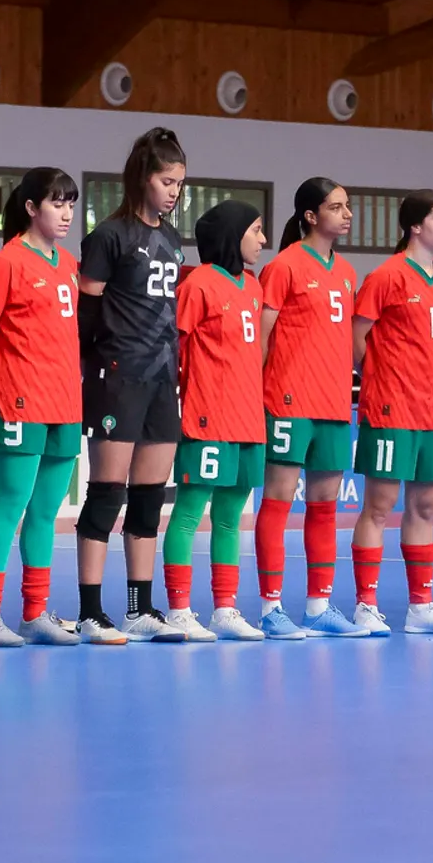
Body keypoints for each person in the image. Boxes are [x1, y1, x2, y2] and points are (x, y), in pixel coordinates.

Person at [77, 127, 188, 643]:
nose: (174, 192)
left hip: (162, 380)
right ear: (143, 179)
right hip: (117, 378)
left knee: (148, 500)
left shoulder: (173, 240)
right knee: (106, 495)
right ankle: (90, 612)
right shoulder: (109, 236)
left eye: (179, 183)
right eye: (167, 181)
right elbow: (86, 313)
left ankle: (139, 609)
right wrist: (96, 365)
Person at [0, 167, 86, 646]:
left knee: (46, 511)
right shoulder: (7, 263)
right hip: (18, 402)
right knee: (11, 504)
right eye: (57, 203)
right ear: (32, 208)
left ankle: (35, 613)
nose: (67, 213)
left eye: (71, 203)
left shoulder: (69, 264)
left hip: (65, 404)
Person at [350, 190, 433, 635]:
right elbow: (356, 339)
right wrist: (382, 378)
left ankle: (421, 606)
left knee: (426, 507)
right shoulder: (386, 276)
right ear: (416, 226)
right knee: (378, 507)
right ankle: (365, 605)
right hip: (391, 409)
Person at [160, 201, 273, 641]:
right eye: (256, 230)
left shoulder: (253, 285)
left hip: (249, 419)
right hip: (207, 417)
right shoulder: (198, 285)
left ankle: (224, 609)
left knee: (230, 518)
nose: (263, 240)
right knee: (189, 513)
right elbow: (172, 350)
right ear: (232, 233)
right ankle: (179, 609)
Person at [256, 177, 363, 638]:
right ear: (310, 216)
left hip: (334, 405)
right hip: (288, 402)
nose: (347, 214)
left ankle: (318, 606)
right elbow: (261, 340)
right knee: (277, 502)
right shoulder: (284, 266)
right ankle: (270, 608)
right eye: (336, 207)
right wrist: (253, 393)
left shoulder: (347, 272)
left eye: (347, 206)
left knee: (324, 507)